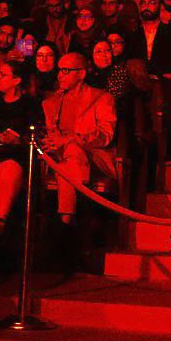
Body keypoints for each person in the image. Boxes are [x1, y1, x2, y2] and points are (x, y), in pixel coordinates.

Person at [41, 51, 118, 224]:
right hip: (59, 158)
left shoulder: (102, 98)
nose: (60, 75)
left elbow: (106, 135)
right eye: (60, 70)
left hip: (92, 157)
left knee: (73, 151)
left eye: (66, 70)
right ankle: (68, 220)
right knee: (65, 158)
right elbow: (49, 132)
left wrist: (72, 139)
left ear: (81, 74)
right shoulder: (51, 102)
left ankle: (66, 221)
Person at [0, 60, 43, 233]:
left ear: (17, 80)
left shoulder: (30, 104)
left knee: (8, 167)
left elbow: (37, 131)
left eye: (2, 75)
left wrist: (17, 138)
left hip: (15, 152)